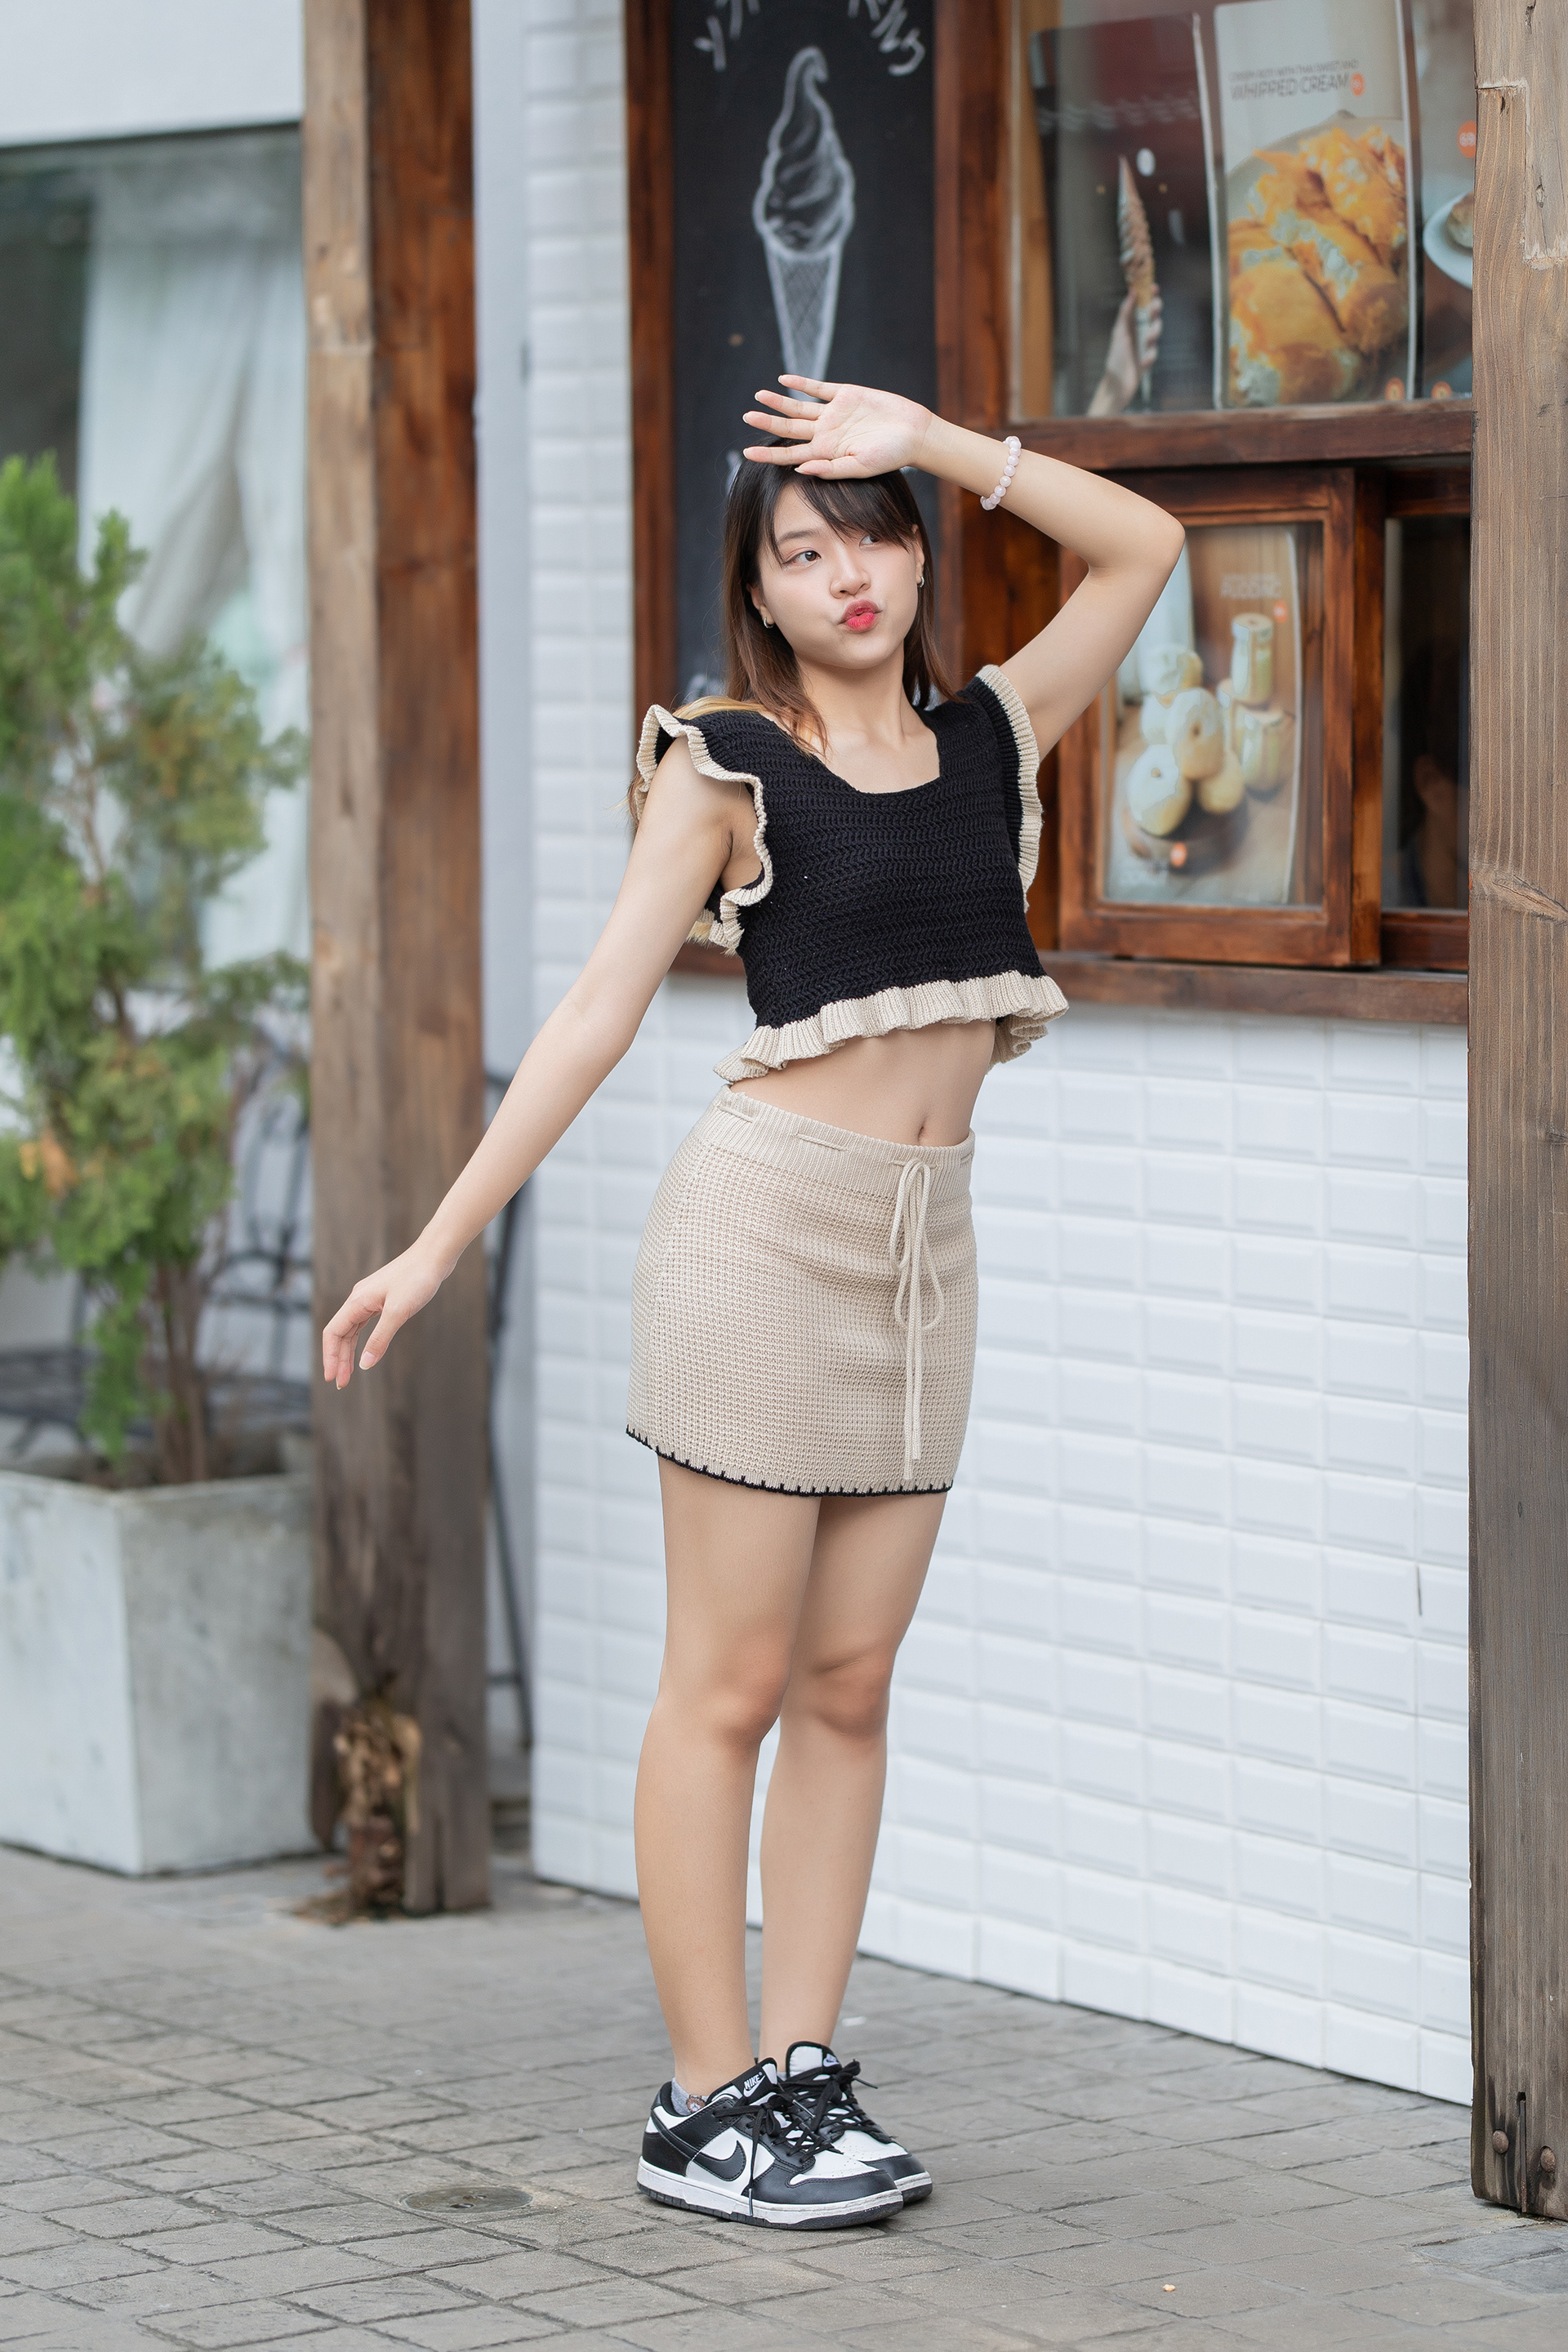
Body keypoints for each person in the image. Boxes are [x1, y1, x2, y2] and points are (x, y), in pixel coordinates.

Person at [322, 376, 1184, 2230]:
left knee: (850, 1686)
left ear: (917, 558)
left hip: (927, 1251)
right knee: (726, 1687)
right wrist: (437, 1242)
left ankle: (800, 2074)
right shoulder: (724, 766)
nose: (847, 574)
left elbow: (1147, 548)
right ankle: (703, 2105)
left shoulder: (993, 730)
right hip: (763, 1239)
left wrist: (928, 439)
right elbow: (596, 1013)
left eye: (872, 537)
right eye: (803, 551)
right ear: (760, 592)